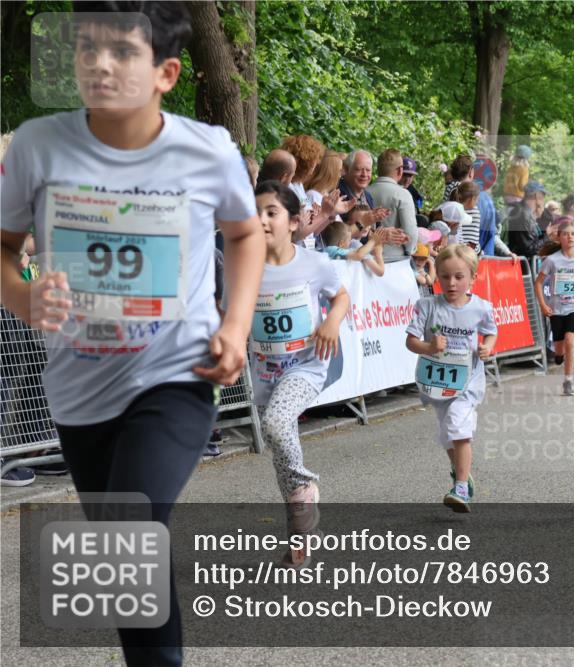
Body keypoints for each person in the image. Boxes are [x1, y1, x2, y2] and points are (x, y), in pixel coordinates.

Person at [0, 3, 266, 664]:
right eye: (87, 48)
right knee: (122, 559)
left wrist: (235, 326)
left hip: (177, 374)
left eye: (121, 51)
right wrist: (24, 296)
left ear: (165, 73)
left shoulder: (206, 150)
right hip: (79, 389)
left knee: (128, 528)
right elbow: (3, 247)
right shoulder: (38, 145)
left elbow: (245, 234)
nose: (99, 64)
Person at [245, 181, 348, 565]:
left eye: (271, 212)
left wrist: (332, 322)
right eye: (256, 213)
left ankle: (305, 486)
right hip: (266, 372)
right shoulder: (245, 267)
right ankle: (300, 535)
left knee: (275, 424)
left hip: (307, 365)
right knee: (281, 449)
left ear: (292, 222)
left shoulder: (313, 263)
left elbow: (341, 296)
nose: (262, 220)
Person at [405, 244, 498, 512]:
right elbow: (411, 341)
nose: (452, 283)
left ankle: (461, 488)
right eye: (445, 276)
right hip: (437, 382)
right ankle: (462, 472)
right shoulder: (426, 306)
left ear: (472, 277)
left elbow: (491, 332)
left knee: (458, 426)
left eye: (459, 276)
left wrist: (487, 347)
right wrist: (429, 347)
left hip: (468, 382)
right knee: (448, 433)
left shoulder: (481, 308)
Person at [534, 220, 574, 396]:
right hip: (556, 309)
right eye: (565, 234)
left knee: (570, 340)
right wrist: (543, 304)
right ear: (559, 238)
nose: (570, 237)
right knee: (559, 347)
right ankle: (559, 355)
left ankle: (568, 381)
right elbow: (538, 283)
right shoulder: (552, 260)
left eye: (573, 234)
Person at [368, 148, 418, 262]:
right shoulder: (403, 194)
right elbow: (410, 232)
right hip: (395, 258)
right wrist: (410, 250)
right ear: (400, 170)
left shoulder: (365, 191)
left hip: (367, 256)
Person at [321, 218, 386, 276]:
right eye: (349, 240)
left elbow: (380, 271)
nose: (350, 243)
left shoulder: (345, 252)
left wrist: (376, 249)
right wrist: (374, 243)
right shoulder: (330, 250)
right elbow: (359, 255)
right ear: (341, 244)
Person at [507, 181, 547, 258]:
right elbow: (529, 249)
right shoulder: (522, 215)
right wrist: (547, 238)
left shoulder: (526, 212)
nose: (543, 200)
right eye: (542, 196)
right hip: (522, 263)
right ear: (536, 196)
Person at [455, 180, 482, 253]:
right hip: (466, 253)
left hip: (454, 250)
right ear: (472, 199)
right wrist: (478, 251)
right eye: (477, 199)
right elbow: (473, 242)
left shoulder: (453, 208)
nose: (477, 202)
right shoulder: (475, 212)